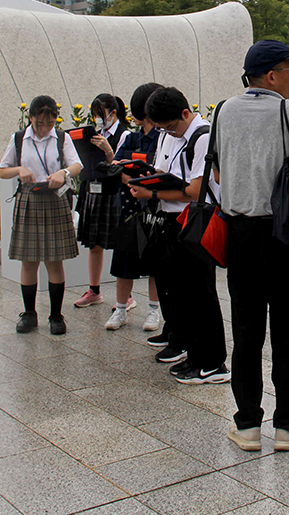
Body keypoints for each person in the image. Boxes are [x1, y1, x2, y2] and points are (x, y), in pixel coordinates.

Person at [213, 40, 289, 451]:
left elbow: (220, 169)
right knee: (288, 332)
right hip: (286, 235)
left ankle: (247, 427)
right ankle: (288, 427)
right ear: (272, 76)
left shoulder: (223, 110)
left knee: (246, 331)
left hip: (241, 234)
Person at [129, 87, 229, 385]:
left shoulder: (202, 137)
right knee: (187, 292)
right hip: (176, 219)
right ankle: (195, 355)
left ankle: (212, 363)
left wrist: (154, 191)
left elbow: (197, 190)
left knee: (202, 293)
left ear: (186, 113)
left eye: (171, 128)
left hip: (198, 221)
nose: (169, 134)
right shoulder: (180, 135)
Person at [0, 96, 83, 335]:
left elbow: (77, 165)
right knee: (29, 260)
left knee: (55, 260)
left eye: (50, 123)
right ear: (31, 118)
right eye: (40, 123)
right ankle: (29, 314)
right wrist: (19, 169)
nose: (45, 129)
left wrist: (63, 172)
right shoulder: (18, 139)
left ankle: (56, 316)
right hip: (29, 199)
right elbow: (3, 171)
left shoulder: (62, 138)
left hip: (55, 199)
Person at [105, 82, 163, 332]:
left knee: (154, 263)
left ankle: (153, 311)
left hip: (154, 207)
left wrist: (135, 180)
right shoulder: (129, 137)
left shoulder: (164, 138)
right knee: (124, 261)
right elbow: (116, 167)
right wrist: (129, 179)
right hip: (129, 207)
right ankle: (120, 309)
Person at [74, 94, 129, 309]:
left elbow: (121, 165)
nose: (97, 118)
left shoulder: (124, 135)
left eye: (100, 114)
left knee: (118, 244)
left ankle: (126, 295)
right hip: (93, 189)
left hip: (113, 192)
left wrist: (107, 149)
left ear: (113, 113)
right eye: (94, 114)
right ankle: (94, 290)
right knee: (94, 242)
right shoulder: (94, 133)